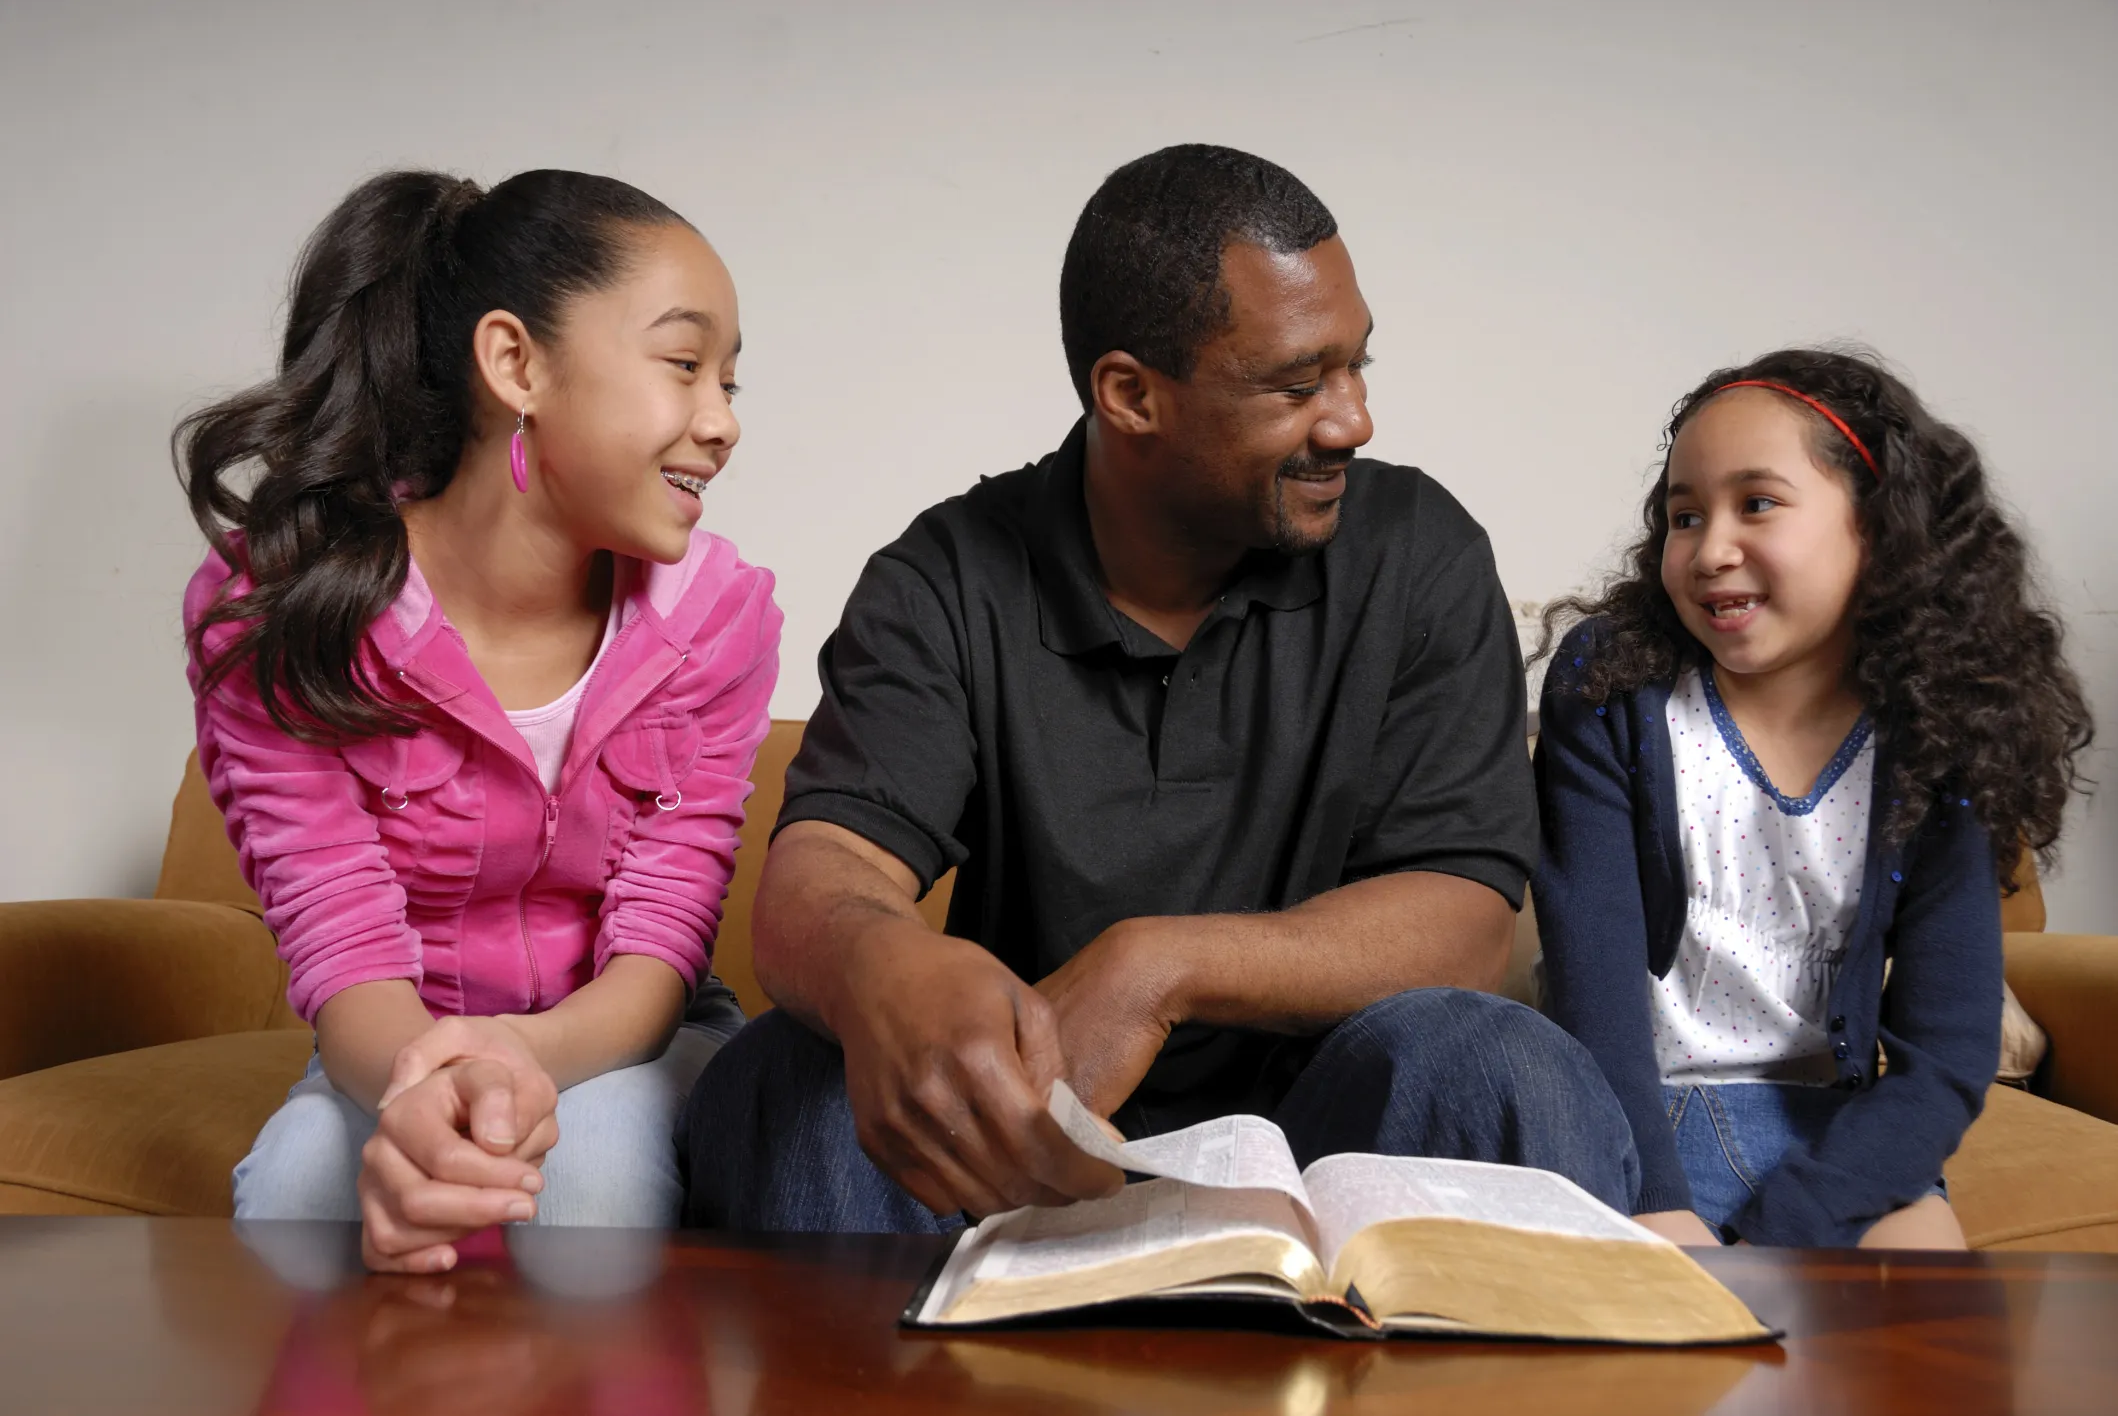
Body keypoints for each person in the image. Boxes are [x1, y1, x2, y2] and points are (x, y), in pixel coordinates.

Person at [683, 144, 1637, 1232]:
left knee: (1508, 1062)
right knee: (783, 1078)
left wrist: (1158, 963)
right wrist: (882, 964)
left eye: (1356, 366)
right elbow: (827, 871)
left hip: (1330, 1143)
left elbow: (1463, 919)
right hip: (1025, 1144)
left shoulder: (1418, 550)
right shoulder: (945, 577)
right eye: (1297, 383)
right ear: (1131, 395)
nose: (1352, 420)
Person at [179, 168, 780, 1272]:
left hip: (623, 1039)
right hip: (398, 1042)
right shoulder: (277, 612)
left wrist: (518, 1061)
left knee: (588, 1167)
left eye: (732, 382)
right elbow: (342, 944)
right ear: (516, 363)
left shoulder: (719, 620)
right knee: (302, 1182)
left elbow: (661, 948)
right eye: (686, 365)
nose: (723, 421)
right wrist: (435, 1081)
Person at [1533, 348, 2093, 1248]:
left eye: (1757, 503)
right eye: (1684, 515)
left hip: (1836, 1130)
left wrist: (1791, 1227)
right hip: (1629, 1115)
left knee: (1923, 1308)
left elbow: (1944, 1058)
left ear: (1880, 526)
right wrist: (1653, 1204)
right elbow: (1590, 993)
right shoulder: (1610, 690)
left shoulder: (1938, 729)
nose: (1711, 548)